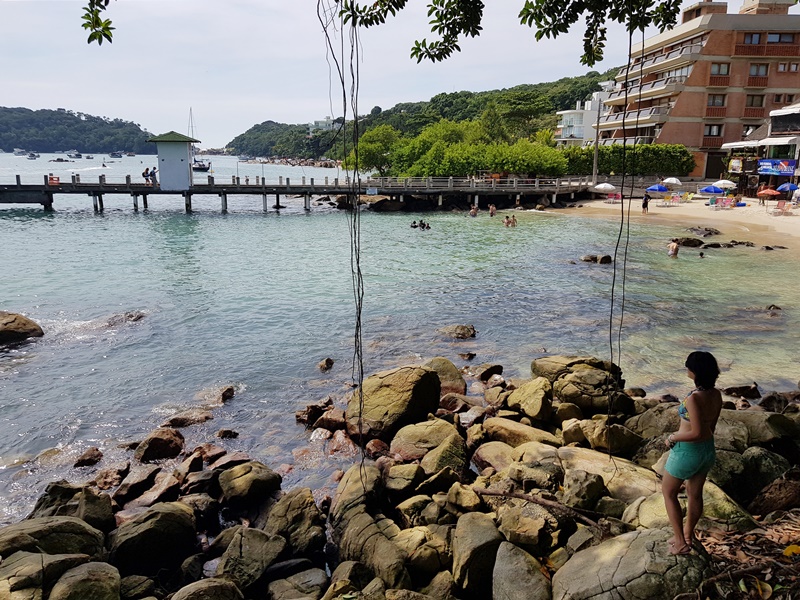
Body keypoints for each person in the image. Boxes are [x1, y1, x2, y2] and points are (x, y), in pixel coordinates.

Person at [662, 351, 723, 555]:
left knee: (669, 493)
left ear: (695, 372)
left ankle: (680, 542)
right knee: (694, 494)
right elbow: (710, 429)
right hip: (707, 452)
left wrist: (673, 438)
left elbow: (696, 432)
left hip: (687, 452)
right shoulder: (716, 394)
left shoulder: (694, 399)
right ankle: (688, 534)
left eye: (688, 367)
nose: (686, 369)